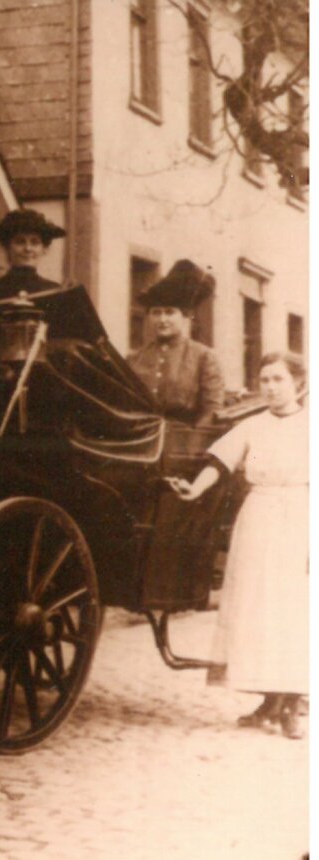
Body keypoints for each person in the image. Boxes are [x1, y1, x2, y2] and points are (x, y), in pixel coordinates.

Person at [170, 352, 308, 739]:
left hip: (300, 518)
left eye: (278, 379)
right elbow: (220, 462)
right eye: (264, 380)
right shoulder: (253, 425)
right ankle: (270, 700)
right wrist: (193, 488)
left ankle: (292, 704)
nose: (270, 387)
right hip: (259, 519)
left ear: (298, 383)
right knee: (258, 609)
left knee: (293, 609)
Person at [127, 260, 225, 426]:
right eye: (156, 313)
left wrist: (191, 443)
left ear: (185, 315)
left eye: (170, 312)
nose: (162, 319)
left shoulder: (204, 357)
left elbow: (211, 410)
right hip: (141, 442)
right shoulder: (134, 359)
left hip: (184, 444)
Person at [0, 209, 66, 305]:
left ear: (44, 249)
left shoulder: (54, 292)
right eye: (20, 241)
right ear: (7, 247)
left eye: (35, 242)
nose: (28, 248)